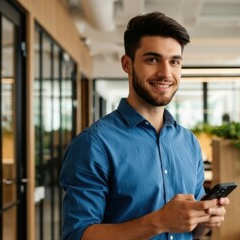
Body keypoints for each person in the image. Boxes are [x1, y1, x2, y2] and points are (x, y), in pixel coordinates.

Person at [59, 11, 230, 240]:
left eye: (174, 61)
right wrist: (158, 221)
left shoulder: (188, 142)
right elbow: (77, 235)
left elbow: (192, 231)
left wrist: (206, 220)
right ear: (127, 64)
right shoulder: (94, 144)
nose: (165, 73)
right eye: (152, 59)